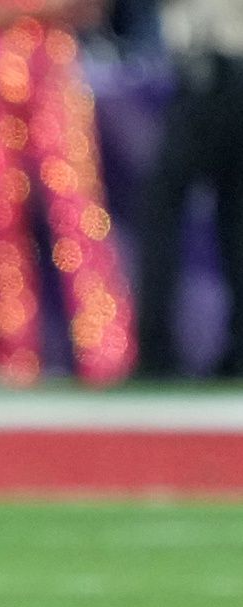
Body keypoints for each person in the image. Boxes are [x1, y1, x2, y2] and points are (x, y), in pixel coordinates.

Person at [0, 0, 136, 386]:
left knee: (79, 214)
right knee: (2, 221)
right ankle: (13, 356)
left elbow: (89, 10)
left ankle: (106, 352)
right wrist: (41, 10)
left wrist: (14, 13)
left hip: (51, 67)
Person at [134, 0, 243, 379]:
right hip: (218, 64)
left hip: (215, 64)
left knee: (164, 204)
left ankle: (156, 350)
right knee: (234, 213)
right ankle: (236, 350)